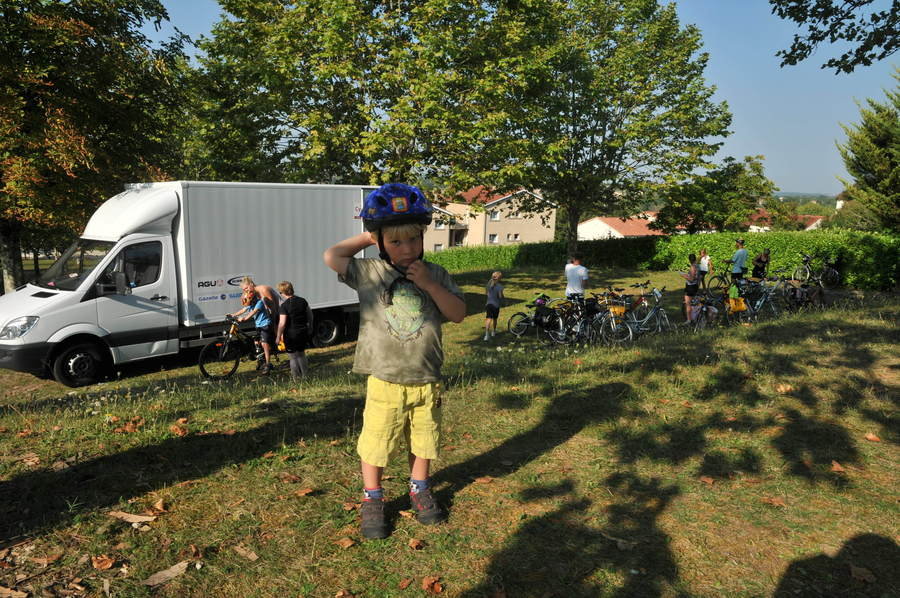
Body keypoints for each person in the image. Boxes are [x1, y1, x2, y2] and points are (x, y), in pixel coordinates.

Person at [323, 182, 466, 540]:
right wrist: (368, 237)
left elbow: (460, 313)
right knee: (376, 441)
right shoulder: (370, 272)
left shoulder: (438, 275)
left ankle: (420, 488)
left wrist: (432, 286)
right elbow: (333, 256)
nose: (407, 249)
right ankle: (373, 498)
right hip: (384, 377)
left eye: (414, 240)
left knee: (424, 439)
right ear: (382, 242)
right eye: (396, 241)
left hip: (426, 377)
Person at [230, 287, 275, 374]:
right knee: (256, 342)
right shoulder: (251, 304)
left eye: (246, 300)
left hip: (265, 325)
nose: (245, 302)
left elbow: (254, 312)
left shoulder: (259, 303)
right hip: (258, 326)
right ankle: (261, 361)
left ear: (252, 298)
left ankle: (268, 364)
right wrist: (233, 315)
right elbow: (243, 310)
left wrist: (245, 318)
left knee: (264, 343)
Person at [275, 280, 313, 381]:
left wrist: (278, 336)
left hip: (290, 334)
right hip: (302, 331)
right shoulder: (302, 301)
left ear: (283, 293)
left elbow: (282, 323)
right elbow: (310, 315)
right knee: (301, 354)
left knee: (293, 357)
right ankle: (306, 376)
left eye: (280, 292)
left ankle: (296, 379)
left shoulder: (284, 306)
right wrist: (310, 327)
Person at [483, 271, 504, 341]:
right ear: (500, 278)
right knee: (495, 319)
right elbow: (500, 296)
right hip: (496, 305)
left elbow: (487, 293)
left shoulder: (488, 285)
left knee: (488, 319)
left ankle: (486, 334)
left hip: (488, 304)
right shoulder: (500, 286)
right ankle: (494, 332)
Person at [680, 253, 700, 322]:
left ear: (689, 260)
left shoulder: (692, 267)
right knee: (694, 303)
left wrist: (683, 275)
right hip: (695, 286)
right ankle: (695, 317)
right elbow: (698, 277)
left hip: (690, 287)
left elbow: (691, 279)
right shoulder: (698, 266)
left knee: (687, 303)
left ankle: (689, 319)